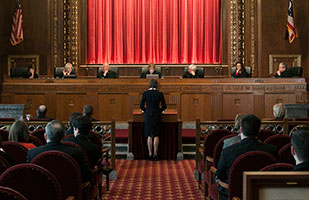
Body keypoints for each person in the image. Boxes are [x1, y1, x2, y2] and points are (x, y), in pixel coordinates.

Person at [216, 114, 278, 200]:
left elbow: (219, 174)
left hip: (234, 195)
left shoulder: (228, 152)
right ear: (259, 131)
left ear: (241, 130)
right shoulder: (272, 150)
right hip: (263, 194)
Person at [27, 120, 91, 181]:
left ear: (45, 136)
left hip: (41, 191)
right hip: (69, 191)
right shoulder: (76, 153)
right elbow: (86, 176)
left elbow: (30, 177)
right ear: (64, 136)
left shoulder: (32, 153)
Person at [140, 79, 166, 161]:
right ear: (156, 85)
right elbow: (164, 106)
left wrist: (145, 110)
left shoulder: (145, 93)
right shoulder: (159, 94)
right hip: (157, 115)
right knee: (156, 135)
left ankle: (150, 154)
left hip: (148, 115)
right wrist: (159, 111)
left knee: (149, 135)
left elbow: (141, 106)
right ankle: (155, 154)